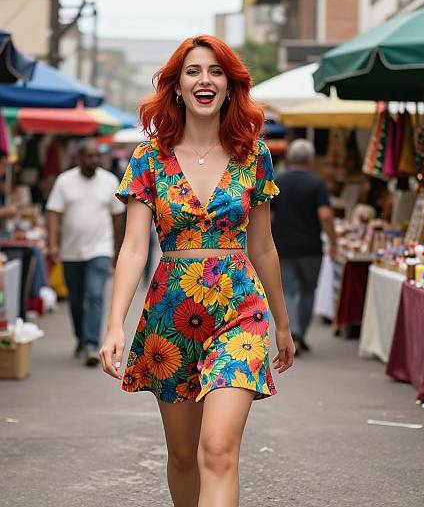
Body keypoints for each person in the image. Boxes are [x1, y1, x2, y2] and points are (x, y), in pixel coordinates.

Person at [99, 35, 295, 506]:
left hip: (239, 310)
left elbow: (264, 247)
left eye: (215, 71)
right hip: (171, 313)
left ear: (229, 85)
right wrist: (114, 325)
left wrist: (283, 325)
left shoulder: (254, 155)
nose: (204, 80)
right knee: (184, 456)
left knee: (219, 450)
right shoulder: (149, 158)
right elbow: (132, 249)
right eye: (193, 72)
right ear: (177, 86)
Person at [46, 140, 125, 366]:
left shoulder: (109, 181)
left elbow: (118, 216)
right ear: (78, 159)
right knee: (75, 299)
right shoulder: (64, 182)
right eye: (88, 156)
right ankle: (81, 337)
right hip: (71, 252)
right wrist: (52, 243)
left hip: (99, 248)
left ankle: (91, 344)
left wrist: (117, 249)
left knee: (94, 294)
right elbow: (53, 213)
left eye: (95, 156)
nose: (93, 161)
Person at [271, 139, 337, 354]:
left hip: (284, 246)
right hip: (310, 248)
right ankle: (300, 334)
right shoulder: (316, 184)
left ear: (289, 158)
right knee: (308, 290)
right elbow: (325, 215)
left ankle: (293, 334)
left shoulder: (278, 181)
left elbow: (268, 216)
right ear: (310, 159)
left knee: (288, 290)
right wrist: (333, 241)